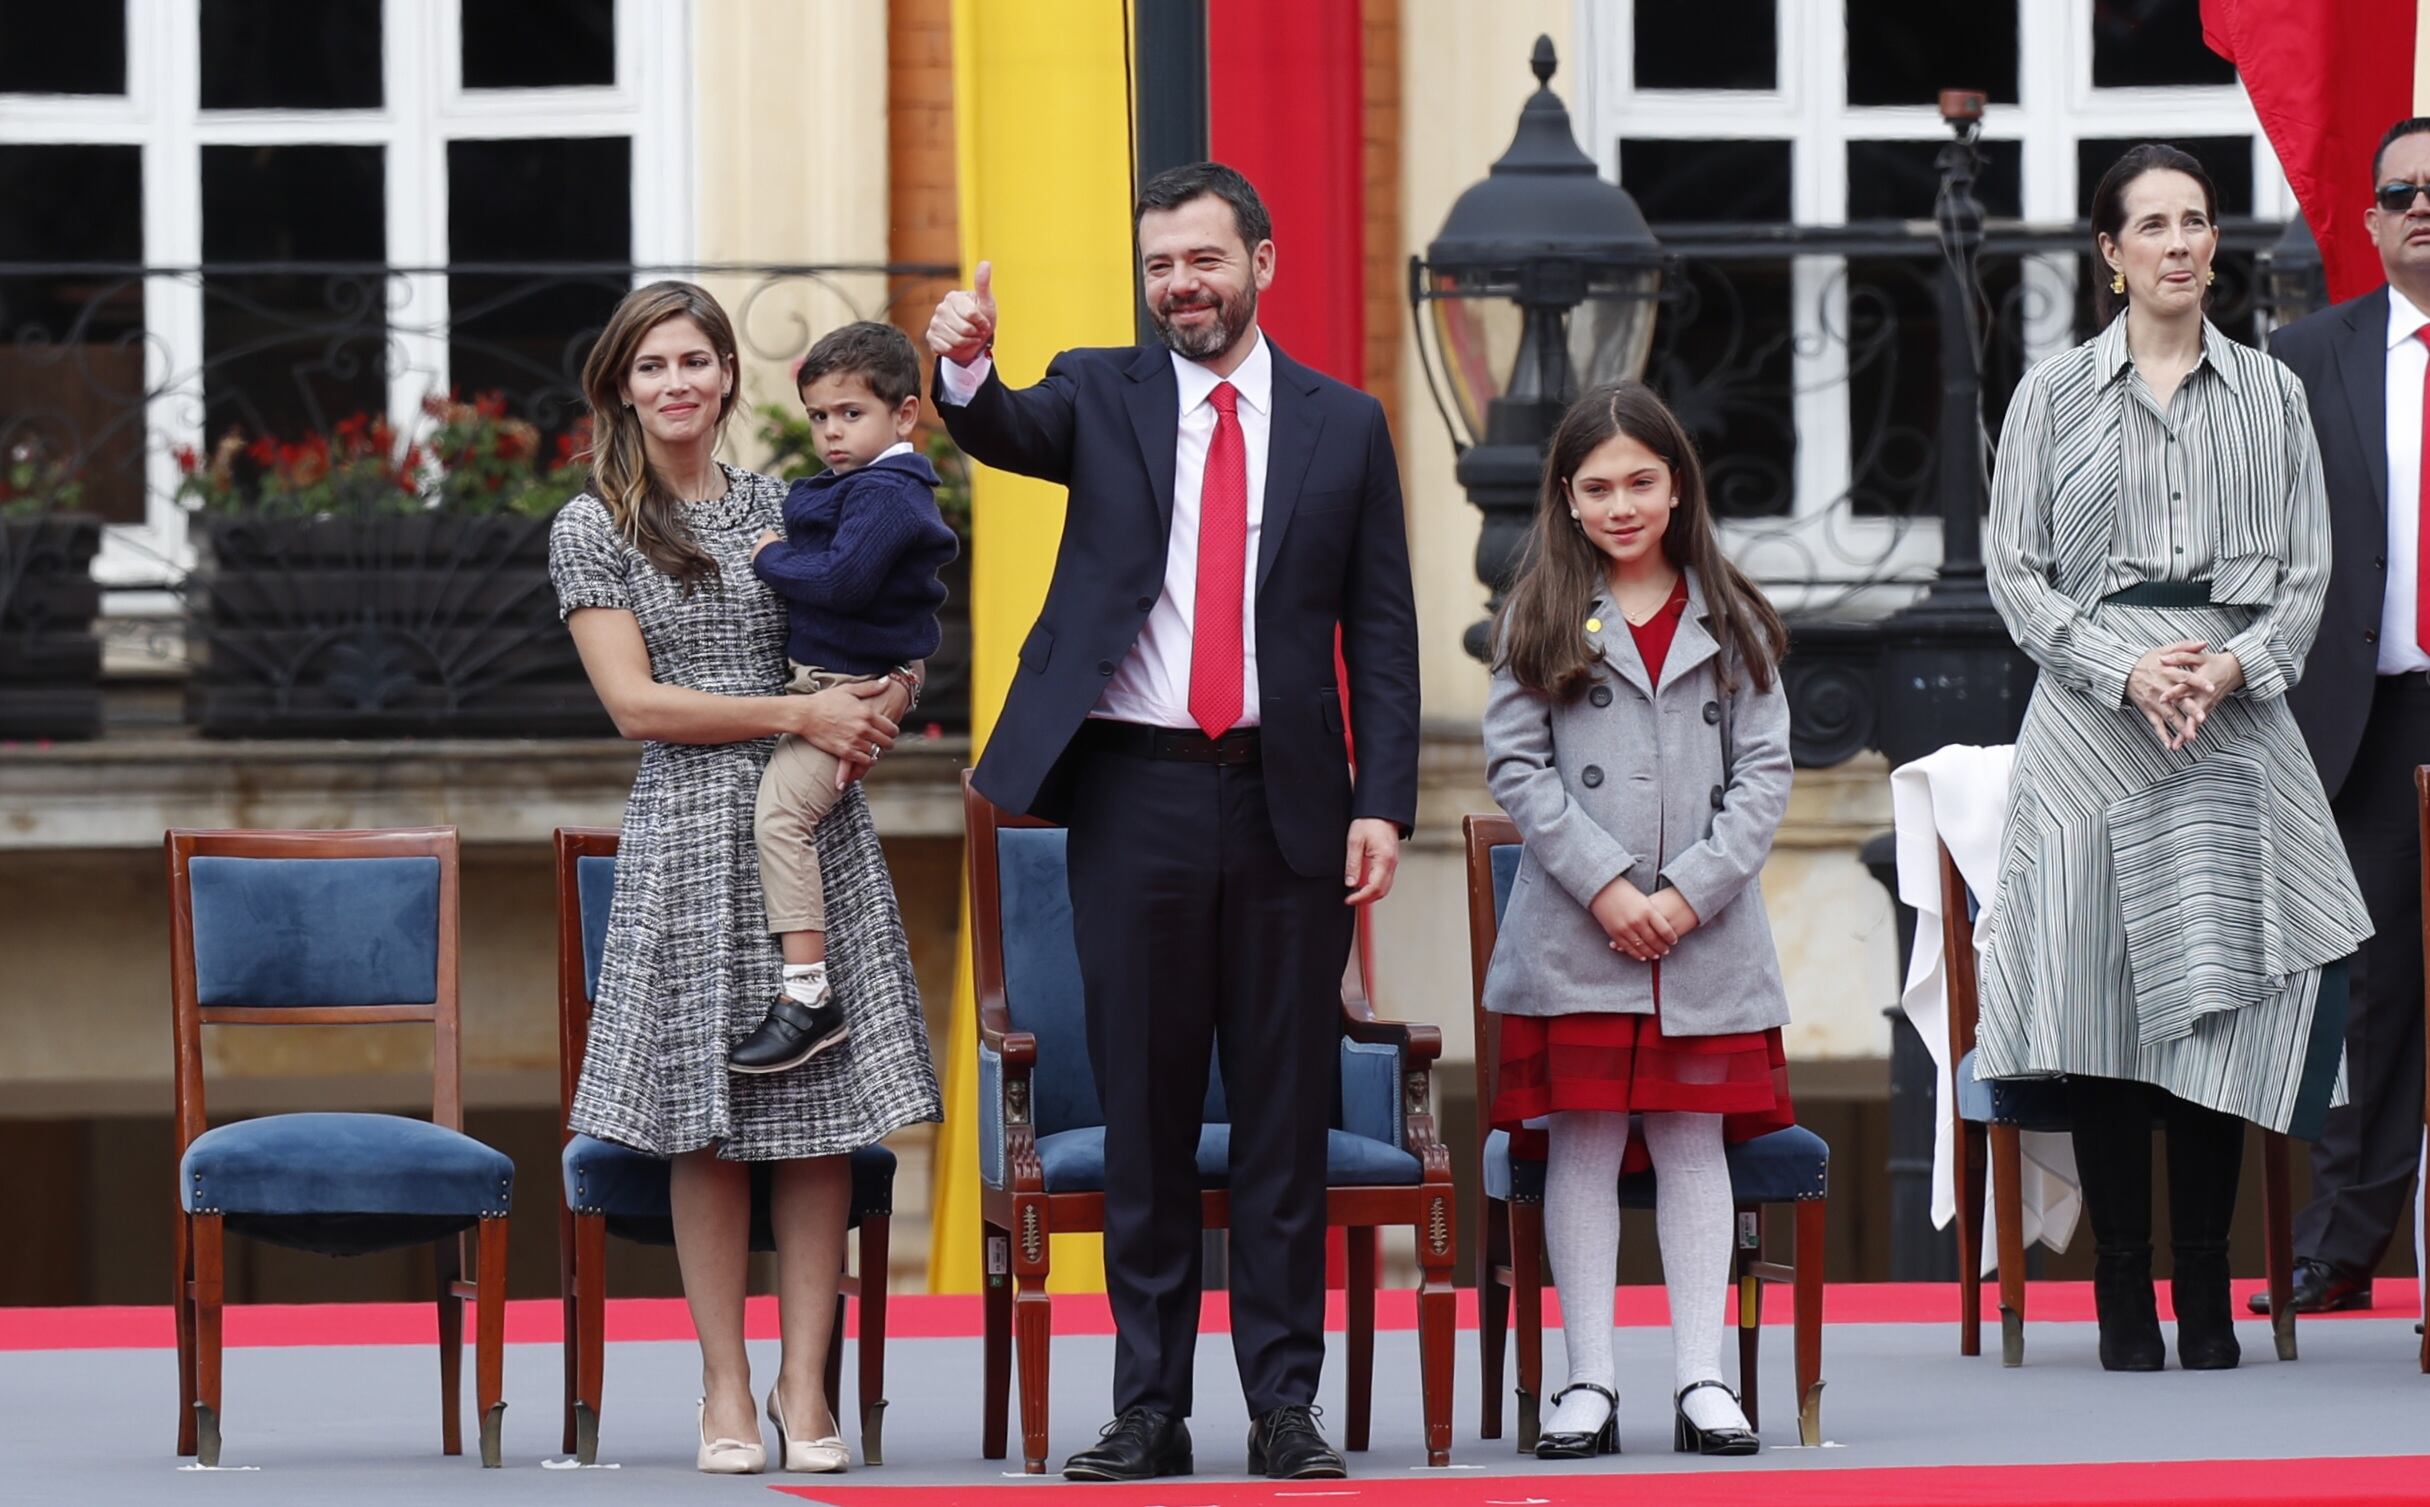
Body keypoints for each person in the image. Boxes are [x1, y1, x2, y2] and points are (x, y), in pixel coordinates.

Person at [926, 161, 1420, 1482]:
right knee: (1142, 1103)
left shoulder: (1345, 423)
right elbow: (1002, 429)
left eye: (1202, 261)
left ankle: (1281, 1406)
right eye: (1158, 267)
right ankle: (1146, 1402)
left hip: (1285, 798)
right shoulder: (1099, 390)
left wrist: (1385, 802)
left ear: (1261, 261)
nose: (1179, 287)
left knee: (1280, 1105)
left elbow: (1380, 629)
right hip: (1132, 784)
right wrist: (966, 371)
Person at [1978, 144, 2371, 1372]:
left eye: (2196, 221)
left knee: (2214, 1007)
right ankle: (2121, 1293)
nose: (2180, 243)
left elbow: (2311, 573)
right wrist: (2118, 665)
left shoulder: (2272, 393)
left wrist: (2232, 667)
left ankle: (2209, 1289)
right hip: (2092, 720)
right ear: (2110, 255)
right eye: (2152, 224)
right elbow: (2014, 570)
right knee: (2099, 1006)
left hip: (2229, 717)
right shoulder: (2050, 394)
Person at [548, 281, 942, 1473]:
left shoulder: (796, 500)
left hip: (807, 824)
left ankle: (803, 1385)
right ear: (624, 384)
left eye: (695, 361)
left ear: (725, 377)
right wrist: (798, 708)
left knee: (816, 1120)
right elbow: (634, 704)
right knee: (702, 1125)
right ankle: (724, 1387)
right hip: (683, 826)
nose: (676, 382)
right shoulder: (593, 524)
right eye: (652, 364)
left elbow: (881, 626)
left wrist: (884, 700)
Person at [1481, 382, 1793, 1460]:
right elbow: (1518, 766)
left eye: (1642, 482)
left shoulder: (1733, 615)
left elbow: (1765, 774)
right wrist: (1611, 886)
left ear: (1677, 487)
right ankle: (1589, 1382)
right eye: (1599, 485)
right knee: (1584, 1142)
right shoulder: (1538, 614)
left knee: (1690, 1138)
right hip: (1579, 933)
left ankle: (1703, 1375)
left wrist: (1686, 891)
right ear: (1566, 497)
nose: (1622, 505)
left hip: (1702, 935)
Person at [2262, 116, 2430, 1317]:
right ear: (2368, 220)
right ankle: (2343, 1248)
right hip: (2372, 718)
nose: (2425, 206)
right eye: (2402, 191)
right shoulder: (2309, 353)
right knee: (2369, 993)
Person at [729, 321, 958, 1075]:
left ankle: (807, 996)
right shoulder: (860, 488)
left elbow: (839, 582)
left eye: (850, 414)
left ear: (904, 414)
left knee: (781, 820)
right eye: (819, 415)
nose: (831, 431)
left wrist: (770, 557)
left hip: (841, 693)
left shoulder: (889, 496)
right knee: (782, 819)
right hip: (834, 686)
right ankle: (805, 991)